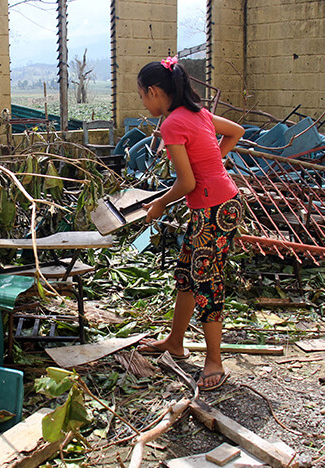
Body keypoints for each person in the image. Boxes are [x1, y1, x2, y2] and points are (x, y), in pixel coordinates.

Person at [134, 56, 245, 391]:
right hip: (218, 204)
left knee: (207, 282)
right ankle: (175, 341)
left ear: (154, 91)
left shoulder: (172, 124)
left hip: (215, 209)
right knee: (186, 274)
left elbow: (187, 184)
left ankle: (214, 361)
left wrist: (159, 203)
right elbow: (237, 132)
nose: (142, 101)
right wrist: (212, 161)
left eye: (142, 95)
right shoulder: (198, 113)